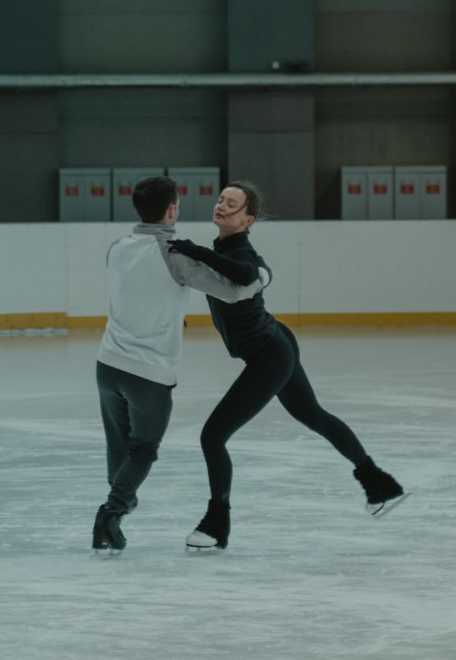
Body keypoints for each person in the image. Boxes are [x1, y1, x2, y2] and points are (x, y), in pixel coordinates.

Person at [169, 181, 405, 551]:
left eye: (231, 205)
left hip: (269, 355)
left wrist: (194, 251)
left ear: (247, 219)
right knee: (313, 415)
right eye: (220, 200)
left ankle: (216, 524)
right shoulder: (226, 247)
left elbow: (245, 274)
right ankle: (379, 483)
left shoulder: (240, 250)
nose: (221, 207)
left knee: (213, 436)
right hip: (274, 343)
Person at [92, 176, 267, 553]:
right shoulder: (175, 255)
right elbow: (236, 291)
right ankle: (112, 512)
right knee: (142, 449)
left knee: (118, 445)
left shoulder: (117, 248)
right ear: (171, 210)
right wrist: (263, 276)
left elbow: (141, 291)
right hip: (148, 374)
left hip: (107, 364)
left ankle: (121, 498)